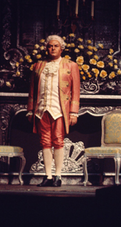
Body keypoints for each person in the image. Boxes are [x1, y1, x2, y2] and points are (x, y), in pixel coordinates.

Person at [27, 35, 80, 186]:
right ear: (46, 48)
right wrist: (30, 110)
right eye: (50, 46)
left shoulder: (71, 65)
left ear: (61, 48)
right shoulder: (38, 66)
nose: (53, 48)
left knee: (58, 140)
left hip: (60, 109)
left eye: (56, 46)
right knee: (44, 142)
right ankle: (48, 176)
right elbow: (32, 90)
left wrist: (73, 112)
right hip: (41, 109)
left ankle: (58, 176)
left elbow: (76, 91)